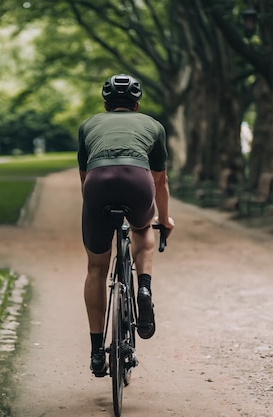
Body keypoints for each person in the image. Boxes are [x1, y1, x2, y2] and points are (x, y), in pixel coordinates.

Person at [77, 73, 175, 377]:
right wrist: (165, 218)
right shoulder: (153, 126)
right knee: (143, 229)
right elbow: (160, 180)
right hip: (138, 182)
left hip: (97, 184)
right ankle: (143, 288)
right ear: (137, 104)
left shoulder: (88, 125)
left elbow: (84, 178)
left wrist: (98, 210)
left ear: (106, 104)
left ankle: (96, 352)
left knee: (95, 268)